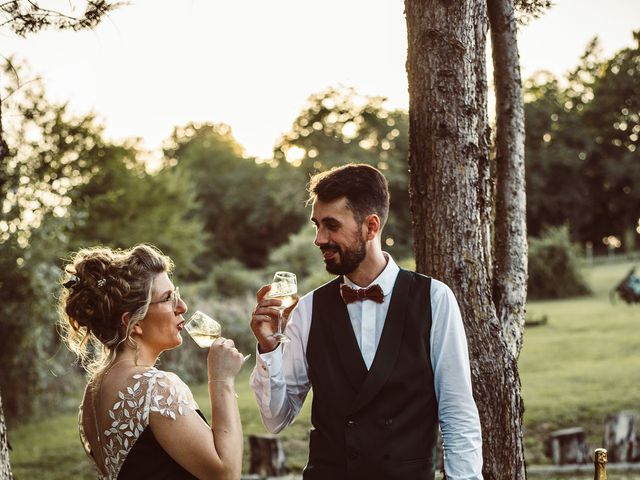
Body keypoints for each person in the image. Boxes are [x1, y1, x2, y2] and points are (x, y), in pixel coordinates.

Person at [250, 163, 483, 480]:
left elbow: (457, 411)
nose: (319, 238)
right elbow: (276, 418)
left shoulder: (435, 299)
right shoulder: (307, 310)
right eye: (317, 225)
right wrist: (268, 350)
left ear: (371, 227)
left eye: (331, 225)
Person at [59, 244, 245, 480]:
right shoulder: (155, 387)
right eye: (167, 298)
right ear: (133, 322)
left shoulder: (92, 393)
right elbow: (226, 474)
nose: (182, 307)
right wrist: (222, 381)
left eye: (175, 294)